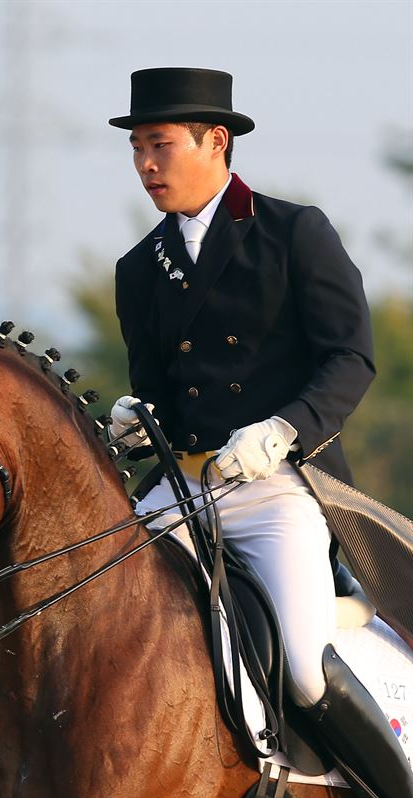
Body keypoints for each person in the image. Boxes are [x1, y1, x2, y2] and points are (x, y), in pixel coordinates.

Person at [108, 67, 412, 798]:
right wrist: (135, 424)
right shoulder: (137, 268)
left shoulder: (292, 233)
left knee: (305, 668)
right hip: (182, 489)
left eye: (160, 145)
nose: (146, 164)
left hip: (276, 487)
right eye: (138, 148)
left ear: (216, 141)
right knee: (99, 610)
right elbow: (160, 392)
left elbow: (351, 357)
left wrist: (283, 429)